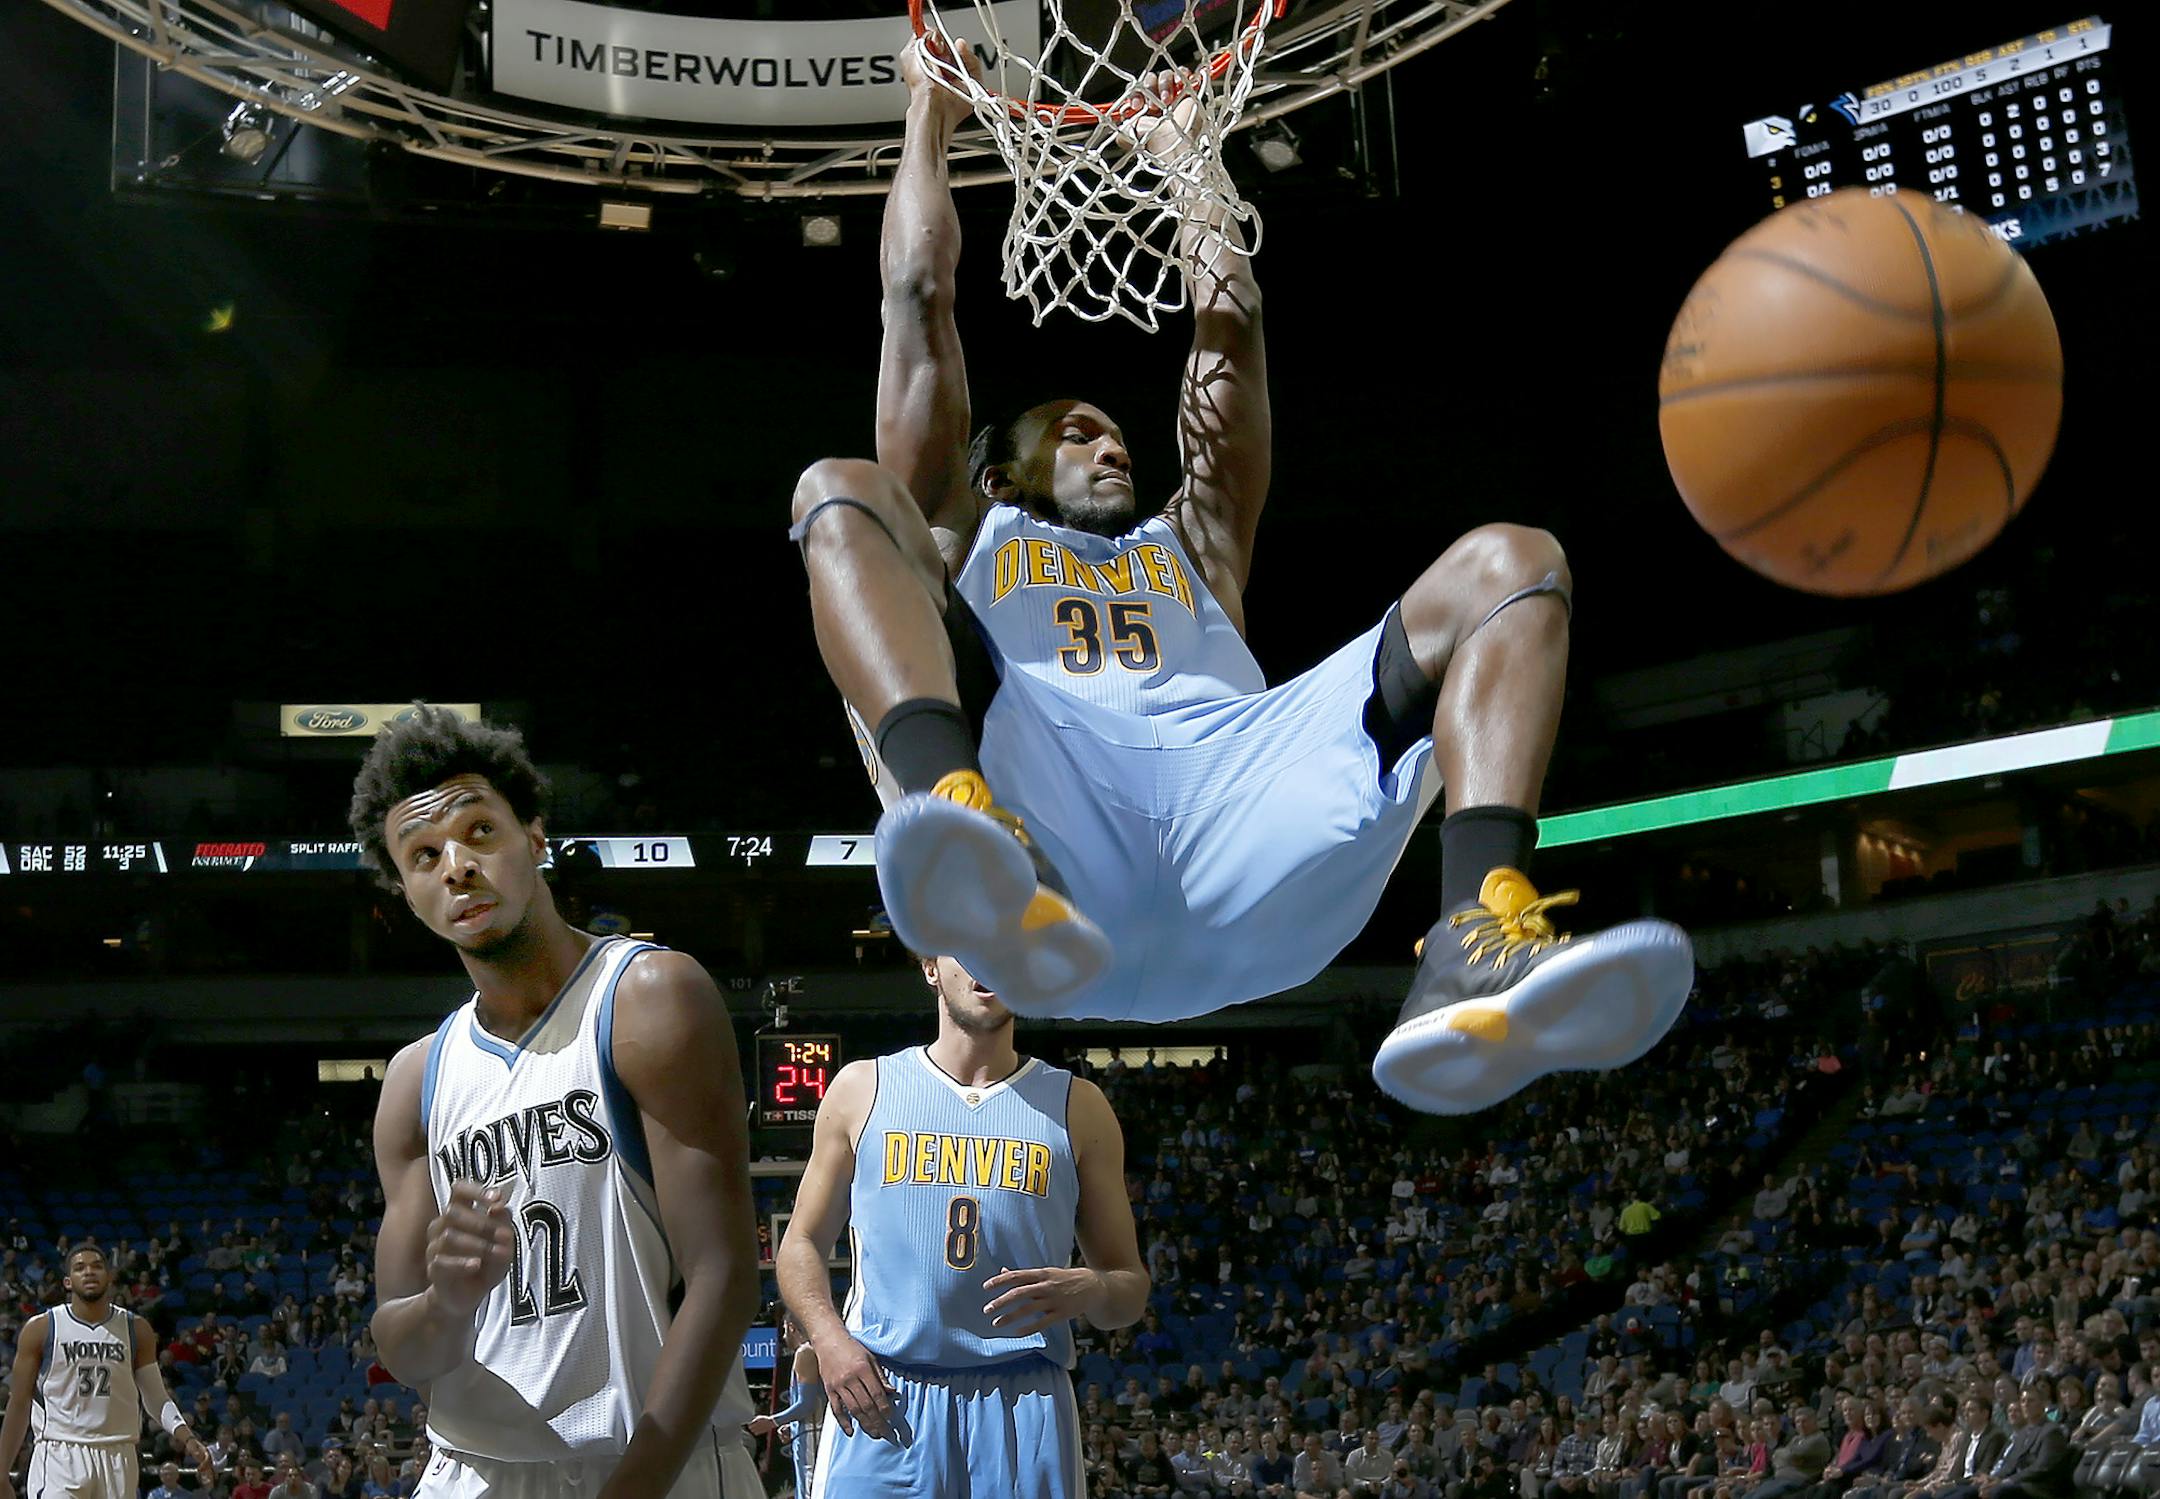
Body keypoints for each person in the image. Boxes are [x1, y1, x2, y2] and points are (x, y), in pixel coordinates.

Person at [788, 37, 1694, 1116]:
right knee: (837, 489)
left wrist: (1192, 164)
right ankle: (964, 824)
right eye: (1077, 433)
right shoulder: (963, 524)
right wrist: (929, 116)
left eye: (1117, 435)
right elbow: (916, 294)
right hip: (1047, 828)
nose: (1111, 446)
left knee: (1516, 562)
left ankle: (1476, 935)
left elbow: (1235, 331)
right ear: (997, 473)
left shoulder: (1194, 544)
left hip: (1244, 815)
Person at [349, 708, 764, 1498]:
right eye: (425, 854)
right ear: (406, 891)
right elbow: (403, 1348)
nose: (457, 866)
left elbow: (724, 1275)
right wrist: (446, 1302)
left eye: (479, 831)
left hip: (656, 1461)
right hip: (474, 1470)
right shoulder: (415, 1079)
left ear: (535, 836)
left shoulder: (649, 996)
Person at [776, 951, 1149, 1495]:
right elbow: (800, 1243)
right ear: (930, 966)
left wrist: (1092, 1288)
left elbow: (1129, 1290)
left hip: (1023, 1399)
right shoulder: (863, 1088)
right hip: (883, 1390)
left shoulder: (1079, 1106)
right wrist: (829, 1341)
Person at [0, 1243, 214, 1499]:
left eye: (97, 1266)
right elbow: (19, 1402)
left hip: (118, 1455)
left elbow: (156, 1398)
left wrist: (188, 1438)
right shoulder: (41, 1328)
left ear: (110, 1277)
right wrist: (2, 1471)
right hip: (60, 1452)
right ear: (68, 1282)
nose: (89, 1272)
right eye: (80, 1268)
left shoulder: (136, 1329)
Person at [746, 1316, 825, 1499]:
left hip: (812, 1436)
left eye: (784, 1330)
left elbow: (806, 1404)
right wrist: (793, 1426)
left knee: (811, 1492)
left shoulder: (805, 1352)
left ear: (791, 1327)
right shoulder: (816, 1350)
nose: (783, 1336)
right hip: (812, 1431)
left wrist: (772, 1421)